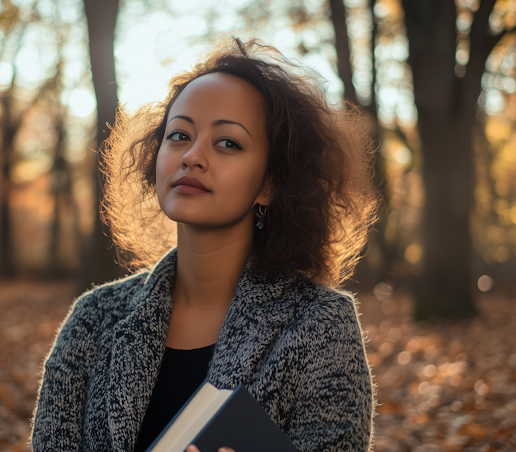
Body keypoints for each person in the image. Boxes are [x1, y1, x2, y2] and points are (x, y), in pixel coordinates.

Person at [31, 36, 378, 452]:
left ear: (271, 183)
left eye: (228, 142)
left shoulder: (322, 325)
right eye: (178, 135)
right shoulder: (93, 319)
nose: (192, 156)